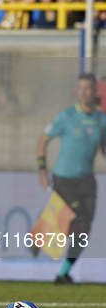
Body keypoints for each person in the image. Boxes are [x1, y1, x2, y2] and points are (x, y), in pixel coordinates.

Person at [37, 73, 106, 284]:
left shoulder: (101, 119)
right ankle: (43, 234)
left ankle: (63, 273)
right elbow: (43, 139)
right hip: (65, 179)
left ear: (95, 91)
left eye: (88, 88)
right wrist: (42, 171)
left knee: (84, 231)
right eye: (81, 89)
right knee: (77, 223)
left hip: (87, 181)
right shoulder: (66, 117)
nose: (84, 93)